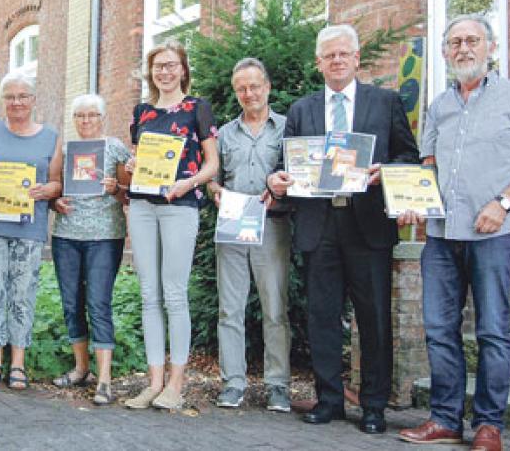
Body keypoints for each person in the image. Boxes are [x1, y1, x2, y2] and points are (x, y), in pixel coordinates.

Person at [397, 15, 510, 451]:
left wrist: (503, 202)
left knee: (492, 331)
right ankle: (446, 419)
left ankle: (489, 425)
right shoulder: (439, 107)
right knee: (438, 328)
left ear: (491, 47)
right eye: (455, 42)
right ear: (446, 52)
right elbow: (428, 166)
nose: (463, 48)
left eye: (472, 40)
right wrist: (415, 200)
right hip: (441, 234)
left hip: (495, 233)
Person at [267, 24, 419, 433]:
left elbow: (410, 156)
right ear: (319, 63)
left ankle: (373, 406)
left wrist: (384, 171)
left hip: (367, 222)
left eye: (343, 54)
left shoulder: (385, 103)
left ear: (356, 59)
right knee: (322, 317)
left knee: (374, 319)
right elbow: (286, 166)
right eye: (328, 55)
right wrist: (275, 181)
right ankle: (329, 399)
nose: (336, 61)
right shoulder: (302, 110)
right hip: (319, 224)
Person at [124, 40, 219, 411]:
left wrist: (190, 182)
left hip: (181, 205)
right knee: (149, 294)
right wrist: (132, 167)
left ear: (183, 69)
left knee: (174, 294)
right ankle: (154, 383)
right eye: (158, 66)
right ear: (152, 72)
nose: (164, 72)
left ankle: (176, 387)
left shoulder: (197, 108)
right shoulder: (141, 112)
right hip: (143, 207)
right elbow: (138, 158)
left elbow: (212, 164)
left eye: (171, 65)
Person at [0, 72, 62, 390]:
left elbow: (57, 183)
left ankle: (17, 363)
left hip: (28, 228)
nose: (16, 102)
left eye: (22, 96)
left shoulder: (51, 137)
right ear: (2, 100)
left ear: (34, 99)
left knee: (23, 294)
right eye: (9, 96)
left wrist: (43, 191)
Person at [206, 58, 292, 411]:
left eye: (255, 86)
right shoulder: (224, 134)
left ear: (267, 87)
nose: (248, 93)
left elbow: (298, 172)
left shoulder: (287, 129)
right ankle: (233, 382)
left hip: (272, 226)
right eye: (241, 88)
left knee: (275, 308)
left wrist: (282, 187)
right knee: (230, 308)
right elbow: (211, 175)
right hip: (232, 225)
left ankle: (278, 385)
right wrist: (214, 190)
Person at [50, 94, 131, 405]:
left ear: (102, 117)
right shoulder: (66, 149)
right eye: (80, 116)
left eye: (91, 115)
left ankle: (105, 379)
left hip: (104, 237)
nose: (85, 121)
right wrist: (55, 201)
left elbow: (129, 194)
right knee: (72, 303)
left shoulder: (115, 148)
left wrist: (116, 188)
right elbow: (53, 185)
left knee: (98, 302)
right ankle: (81, 368)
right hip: (66, 236)